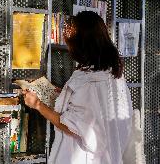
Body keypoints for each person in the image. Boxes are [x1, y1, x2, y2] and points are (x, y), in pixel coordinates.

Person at [22, 11, 133, 164]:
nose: (69, 49)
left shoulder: (90, 81)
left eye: (71, 43)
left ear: (82, 44)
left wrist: (38, 105)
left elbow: (73, 126)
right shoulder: (113, 75)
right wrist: (66, 97)